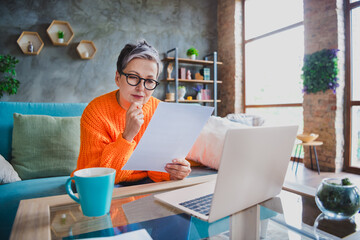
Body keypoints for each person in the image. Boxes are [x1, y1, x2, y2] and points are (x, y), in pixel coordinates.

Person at [72, 40, 191, 184]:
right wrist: (127, 135)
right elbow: (97, 178)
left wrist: (174, 172)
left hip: (147, 185)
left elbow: (157, 168)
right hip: (105, 187)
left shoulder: (160, 110)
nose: (141, 88)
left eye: (149, 81)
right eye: (133, 77)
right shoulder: (95, 112)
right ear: (118, 78)